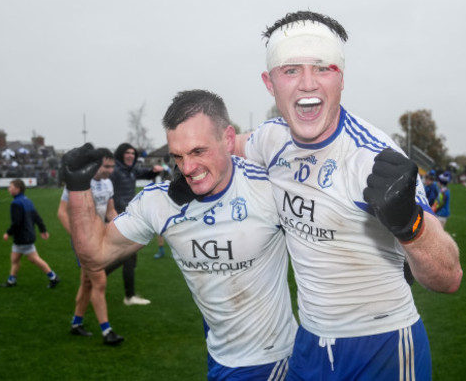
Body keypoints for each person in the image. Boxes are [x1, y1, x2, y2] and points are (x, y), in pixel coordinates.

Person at [234, 11, 462, 380]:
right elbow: (233, 146)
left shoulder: (372, 158)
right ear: (269, 82)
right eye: (290, 70)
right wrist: (196, 163)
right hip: (309, 342)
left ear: (341, 78)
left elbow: (449, 277)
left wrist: (412, 225)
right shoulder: (271, 138)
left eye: (323, 68)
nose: (307, 84)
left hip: (382, 346)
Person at [61, 90, 296, 380]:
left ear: (227, 139)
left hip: (272, 359)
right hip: (220, 356)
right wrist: (78, 187)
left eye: (198, 151)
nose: (188, 168)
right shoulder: (159, 203)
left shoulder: (268, 188)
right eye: (178, 156)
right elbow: (95, 255)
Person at [57, 148, 124, 346]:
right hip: (85, 241)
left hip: (99, 238)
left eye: (112, 166)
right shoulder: (77, 183)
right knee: (99, 281)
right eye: (106, 166)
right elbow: (61, 213)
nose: (109, 170)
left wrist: (124, 226)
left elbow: (110, 211)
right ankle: (107, 331)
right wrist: (79, 237)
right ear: (95, 165)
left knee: (87, 283)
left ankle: (76, 324)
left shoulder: (108, 183)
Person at [109, 143, 163, 305]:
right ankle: (128, 296)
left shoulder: (130, 169)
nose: (131, 155)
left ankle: (96, 277)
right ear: (120, 154)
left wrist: (153, 171)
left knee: (127, 257)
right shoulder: (115, 172)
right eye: (127, 152)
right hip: (117, 219)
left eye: (133, 153)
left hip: (128, 218)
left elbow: (144, 174)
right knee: (127, 257)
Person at [0, 179, 59, 288]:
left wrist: (8, 233)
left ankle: (53, 277)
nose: (9, 189)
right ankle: (11, 280)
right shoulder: (27, 200)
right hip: (27, 235)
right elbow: (37, 217)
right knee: (15, 259)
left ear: (17, 189)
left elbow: (16, 222)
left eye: (11, 187)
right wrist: (43, 230)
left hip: (22, 237)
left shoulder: (16, 203)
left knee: (33, 259)